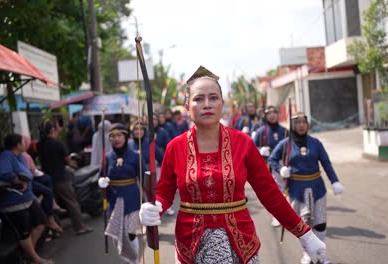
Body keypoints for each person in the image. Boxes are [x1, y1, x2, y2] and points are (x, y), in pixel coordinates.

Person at [139, 66, 327, 264]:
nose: (207, 104)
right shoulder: (175, 147)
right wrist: (155, 206)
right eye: (198, 99)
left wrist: (305, 234)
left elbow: (269, 193)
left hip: (242, 240)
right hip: (191, 242)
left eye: (213, 98)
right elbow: (165, 192)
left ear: (222, 103)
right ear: (187, 105)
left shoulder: (243, 143)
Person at [268, 112, 344, 264]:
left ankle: (321, 255)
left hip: (317, 189)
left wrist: (334, 181)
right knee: (303, 226)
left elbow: (326, 163)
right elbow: (272, 159)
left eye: (304, 122)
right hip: (297, 190)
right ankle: (308, 254)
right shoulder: (285, 144)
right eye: (298, 122)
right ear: (292, 126)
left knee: (320, 224)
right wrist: (281, 168)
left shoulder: (316, 143)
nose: (301, 125)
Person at [0, 134, 52, 264]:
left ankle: (27, 256)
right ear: (17, 144)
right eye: (22, 141)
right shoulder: (6, 156)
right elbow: (3, 173)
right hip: (15, 202)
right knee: (24, 233)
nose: (25, 143)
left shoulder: (19, 156)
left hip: (28, 198)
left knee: (41, 223)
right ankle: (34, 258)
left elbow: (27, 172)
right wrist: (18, 180)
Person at [97, 123, 147, 263]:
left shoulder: (135, 156)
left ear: (125, 137)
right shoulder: (107, 157)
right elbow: (101, 176)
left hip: (132, 200)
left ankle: (135, 260)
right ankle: (130, 259)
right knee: (116, 235)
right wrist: (102, 182)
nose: (116, 138)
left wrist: (148, 200)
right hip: (114, 200)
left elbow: (144, 179)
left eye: (119, 135)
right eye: (112, 136)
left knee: (129, 233)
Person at [37, 120, 92, 236]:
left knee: (52, 203)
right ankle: (80, 227)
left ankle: (57, 230)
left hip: (47, 178)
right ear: (52, 130)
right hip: (61, 178)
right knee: (72, 202)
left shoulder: (40, 144)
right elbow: (67, 160)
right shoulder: (58, 144)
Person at [252, 105, 288, 227]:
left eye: (274, 113)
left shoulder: (285, 131)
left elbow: (292, 148)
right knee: (273, 193)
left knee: (286, 192)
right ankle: (277, 216)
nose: (272, 115)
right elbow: (251, 150)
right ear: (266, 116)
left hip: (282, 165)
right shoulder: (261, 132)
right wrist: (260, 150)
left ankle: (288, 215)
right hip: (267, 166)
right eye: (269, 113)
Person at [22, 135, 63, 236]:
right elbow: (31, 171)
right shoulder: (23, 155)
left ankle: (52, 213)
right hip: (27, 184)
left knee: (47, 182)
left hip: (30, 181)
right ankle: (51, 218)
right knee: (47, 188)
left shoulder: (26, 153)